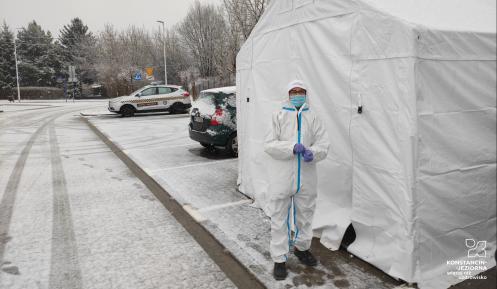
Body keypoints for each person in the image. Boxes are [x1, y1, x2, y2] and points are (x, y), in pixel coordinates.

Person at [264, 80, 330, 280]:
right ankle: (279, 259)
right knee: (279, 218)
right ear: (288, 94)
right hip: (281, 178)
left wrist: (313, 152)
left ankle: (302, 249)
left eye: (301, 91)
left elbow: (324, 144)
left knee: (305, 215)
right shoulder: (278, 115)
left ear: (306, 94)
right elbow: (269, 144)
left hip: (307, 177)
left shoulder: (314, 117)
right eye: (294, 91)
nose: (297, 94)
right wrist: (291, 147)